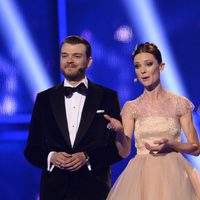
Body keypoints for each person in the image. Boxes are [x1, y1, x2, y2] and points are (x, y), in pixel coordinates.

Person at [24, 35, 122, 200]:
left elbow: (117, 149)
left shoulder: (107, 97)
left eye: (76, 55)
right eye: (65, 55)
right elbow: (32, 149)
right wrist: (51, 157)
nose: (69, 60)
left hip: (94, 190)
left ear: (89, 61)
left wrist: (87, 157)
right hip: (54, 191)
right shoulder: (44, 99)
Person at [104, 42, 200, 200]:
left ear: (161, 66)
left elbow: (196, 148)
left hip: (174, 176)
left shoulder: (180, 104)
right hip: (141, 176)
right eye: (137, 66)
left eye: (148, 64)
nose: (142, 71)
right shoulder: (131, 107)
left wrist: (171, 145)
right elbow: (124, 151)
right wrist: (120, 132)